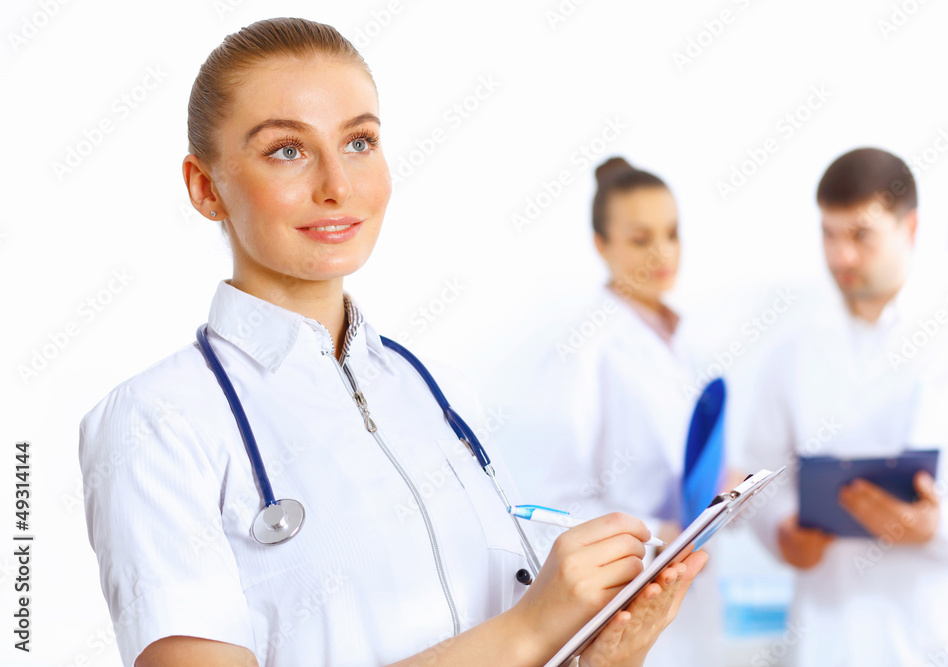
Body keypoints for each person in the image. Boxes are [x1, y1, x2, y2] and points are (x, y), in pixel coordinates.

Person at [77, 17, 708, 667]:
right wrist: (529, 628)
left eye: (359, 141)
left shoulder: (438, 393)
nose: (337, 185)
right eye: (287, 150)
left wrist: (599, 655)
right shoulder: (157, 421)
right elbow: (515, 635)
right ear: (205, 186)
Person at [743, 147, 948, 666]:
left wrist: (938, 525)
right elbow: (757, 479)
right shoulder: (792, 348)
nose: (841, 257)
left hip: (943, 637)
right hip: (826, 637)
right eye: (829, 234)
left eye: (860, 235)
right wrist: (780, 532)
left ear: (911, 229)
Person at [499, 157, 735, 667]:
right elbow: (549, 505)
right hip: (626, 608)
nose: (663, 251)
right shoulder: (585, 348)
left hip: (692, 606)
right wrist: (658, 536)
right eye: (640, 238)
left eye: (672, 234)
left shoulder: (683, 344)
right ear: (601, 245)